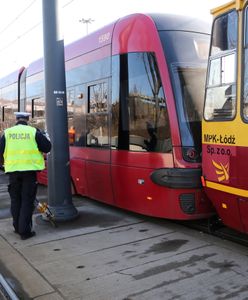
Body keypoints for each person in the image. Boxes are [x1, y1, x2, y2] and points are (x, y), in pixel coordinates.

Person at [0, 112, 51, 240]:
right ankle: (25, 231)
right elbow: (47, 148)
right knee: (27, 201)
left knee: (15, 201)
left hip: (13, 173)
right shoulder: (33, 132)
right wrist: (46, 137)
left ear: (16, 119)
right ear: (27, 119)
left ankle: (17, 228)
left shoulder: (7, 133)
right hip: (29, 173)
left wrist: (4, 165)